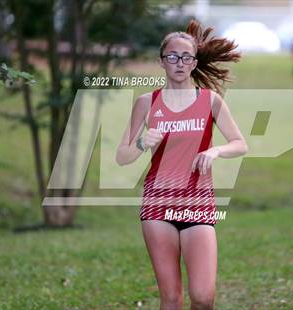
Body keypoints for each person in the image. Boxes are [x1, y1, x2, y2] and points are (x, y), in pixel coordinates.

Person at [116, 19, 248, 310]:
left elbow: (240, 143)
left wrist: (215, 151)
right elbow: (121, 156)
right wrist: (141, 144)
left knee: (203, 297)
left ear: (194, 62)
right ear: (162, 62)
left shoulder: (210, 100)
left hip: (198, 204)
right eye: (172, 57)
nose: (179, 62)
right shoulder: (146, 102)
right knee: (172, 299)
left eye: (185, 57)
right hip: (157, 206)